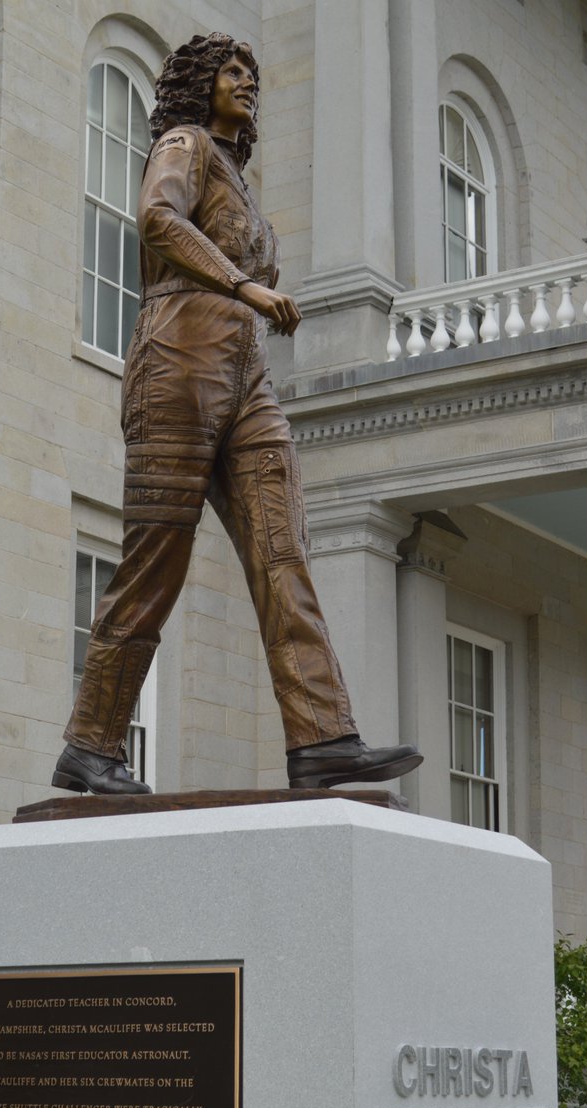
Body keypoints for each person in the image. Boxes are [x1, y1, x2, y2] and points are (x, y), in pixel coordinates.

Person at [53, 32, 421, 795]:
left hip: (243, 375)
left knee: (280, 546)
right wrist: (243, 286)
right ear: (198, 82)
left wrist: (246, 303)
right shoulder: (182, 145)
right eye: (230, 71)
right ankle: (91, 743)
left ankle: (322, 738)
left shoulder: (236, 176)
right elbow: (157, 220)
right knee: (155, 558)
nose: (245, 82)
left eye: (251, 73)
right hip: (177, 365)